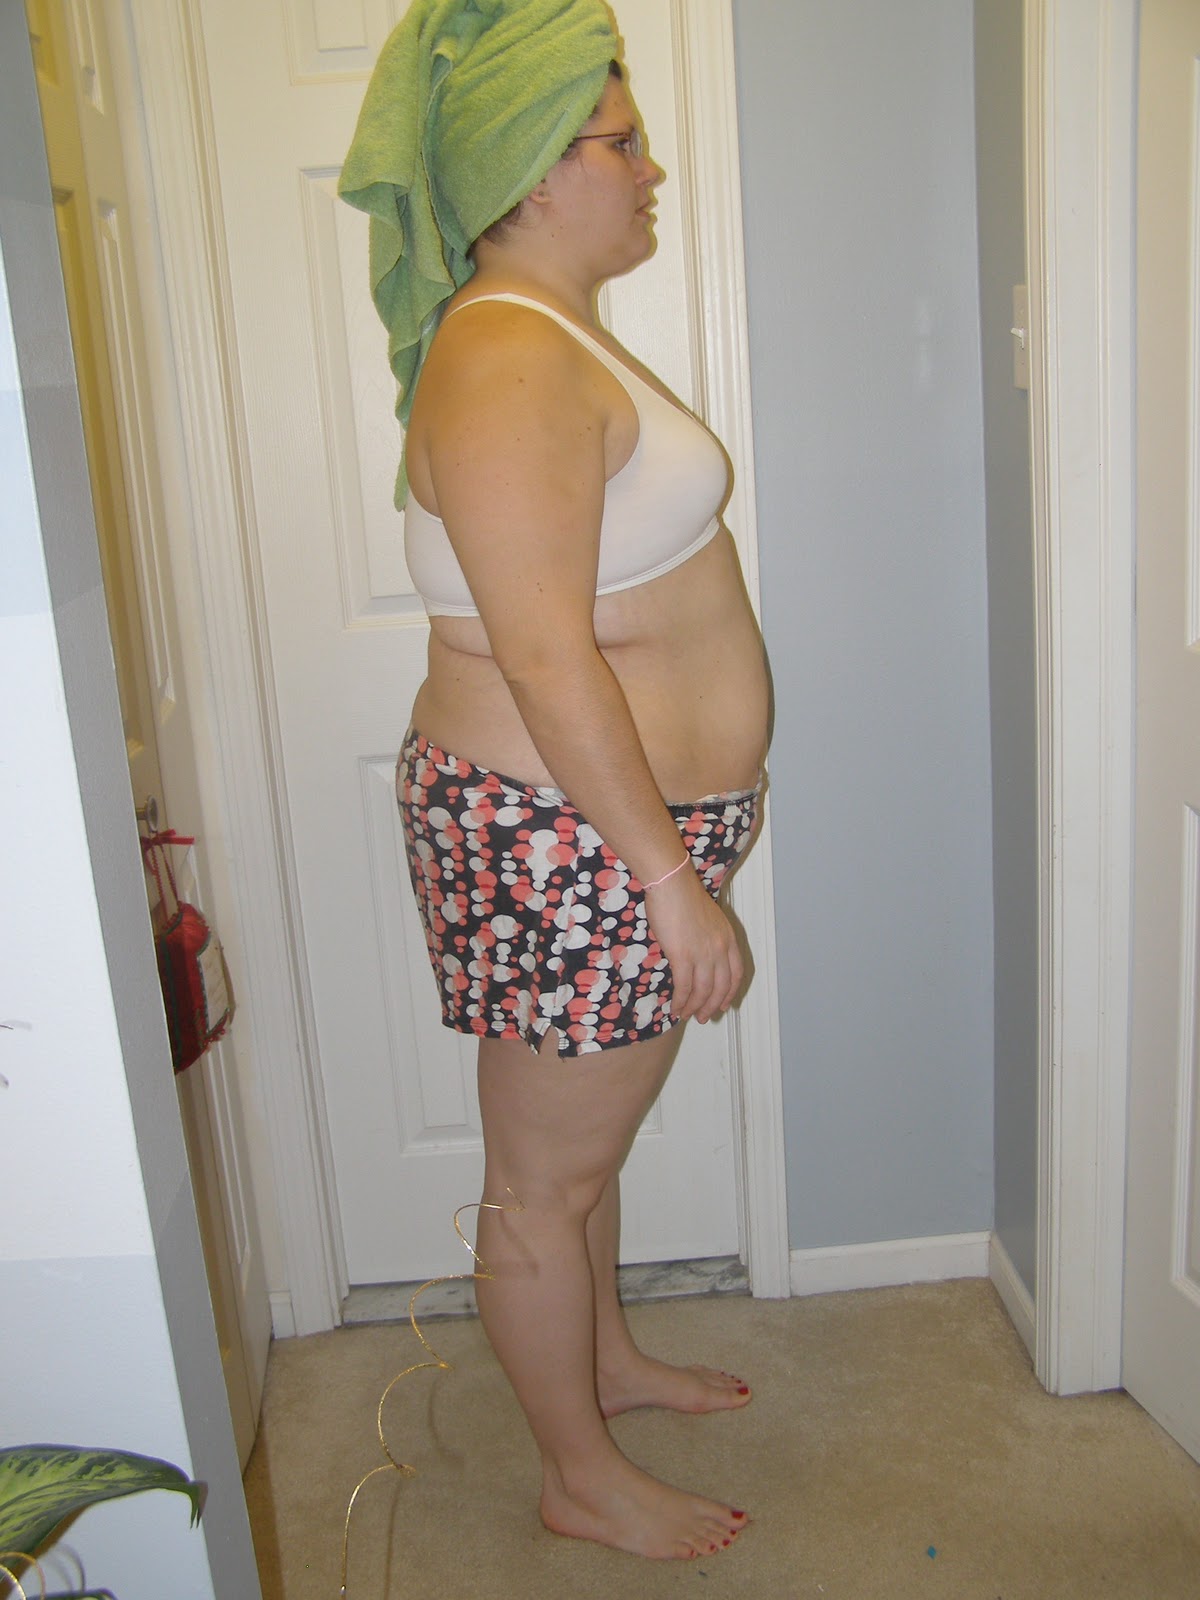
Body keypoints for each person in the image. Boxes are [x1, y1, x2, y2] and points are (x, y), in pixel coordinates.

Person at [340, 0, 769, 1562]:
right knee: (542, 1180)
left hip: (589, 832)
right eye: (620, 142)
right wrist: (668, 880)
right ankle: (576, 1478)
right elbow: (542, 655)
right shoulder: (506, 353)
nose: (649, 170)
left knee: (581, 1158)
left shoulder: (544, 331)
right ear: (529, 166)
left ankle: (605, 1364)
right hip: (568, 841)